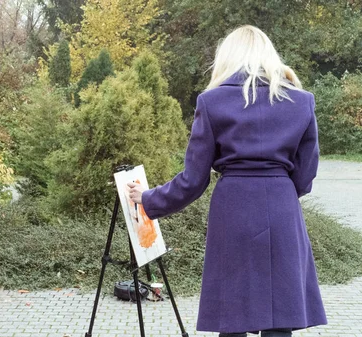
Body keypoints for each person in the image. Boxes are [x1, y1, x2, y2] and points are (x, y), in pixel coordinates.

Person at [127, 25, 327, 337]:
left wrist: (149, 198)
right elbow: (305, 174)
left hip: (233, 209)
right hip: (282, 206)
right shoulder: (302, 103)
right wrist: (280, 193)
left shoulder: (212, 102)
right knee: (279, 317)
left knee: (233, 316)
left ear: (229, 57)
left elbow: (193, 180)